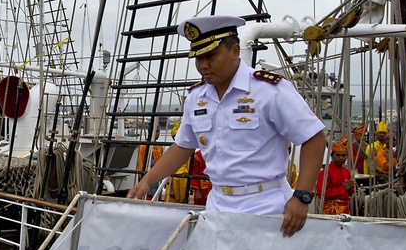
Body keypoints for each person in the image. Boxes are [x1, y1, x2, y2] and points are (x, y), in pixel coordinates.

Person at [127, 15, 327, 237]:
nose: (203, 65)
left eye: (211, 56)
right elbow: (183, 146)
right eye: (198, 58)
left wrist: (301, 196)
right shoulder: (196, 97)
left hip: (267, 208)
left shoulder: (269, 90)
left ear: (235, 51)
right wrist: (146, 182)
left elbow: (314, 138)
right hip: (217, 207)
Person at [316, 137, 354, 215]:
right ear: (332, 156)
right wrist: (342, 189)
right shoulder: (326, 172)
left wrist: (351, 188)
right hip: (330, 210)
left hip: (345, 210)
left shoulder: (346, 171)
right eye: (338, 155)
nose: (341, 158)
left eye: (344, 155)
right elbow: (321, 193)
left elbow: (349, 193)